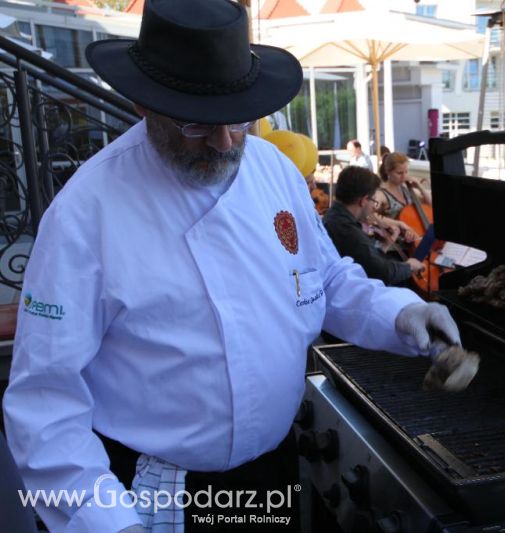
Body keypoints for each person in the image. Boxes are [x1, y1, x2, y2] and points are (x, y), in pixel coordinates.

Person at [1, 2, 461, 533]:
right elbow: (44, 400)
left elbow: (325, 279)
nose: (224, 142)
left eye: (238, 118)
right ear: (142, 105)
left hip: (271, 474)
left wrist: (400, 312)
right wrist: (105, 522)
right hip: (151, 491)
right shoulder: (85, 212)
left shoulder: (273, 171)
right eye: (197, 124)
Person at [323, 166, 424, 286]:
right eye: (373, 201)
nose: (374, 207)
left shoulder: (334, 215)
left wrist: (385, 246)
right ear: (364, 200)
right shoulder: (346, 229)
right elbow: (383, 273)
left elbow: (367, 259)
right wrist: (410, 266)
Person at [376, 151, 432, 220]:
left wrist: (420, 187)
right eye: (399, 173)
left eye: (406, 172)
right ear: (388, 172)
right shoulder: (381, 193)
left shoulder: (405, 188)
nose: (404, 176)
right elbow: (370, 215)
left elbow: (430, 204)